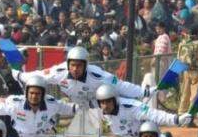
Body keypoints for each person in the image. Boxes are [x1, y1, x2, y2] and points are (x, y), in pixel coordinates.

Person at [18, 46, 151, 109]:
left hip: (100, 105)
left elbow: (122, 86)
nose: (75, 69)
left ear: (86, 65)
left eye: (79, 66)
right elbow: (39, 75)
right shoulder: (59, 71)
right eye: (73, 65)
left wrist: (144, 92)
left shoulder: (98, 75)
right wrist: (19, 75)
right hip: (77, 107)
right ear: (68, 64)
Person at [96, 84, 192, 137]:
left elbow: (154, 115)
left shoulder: (131, 107)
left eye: (108, 102)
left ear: (115, 100)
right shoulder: (102, 112)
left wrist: (176, 119)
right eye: (102, 102)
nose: (105, 106)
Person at [176, 25, 198, 119]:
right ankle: (190, 116)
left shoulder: (182, 43)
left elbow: (178, 57)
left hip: (184, 70)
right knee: (194, 94)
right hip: (195, 71)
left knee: (184, 93)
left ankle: (181, 113)